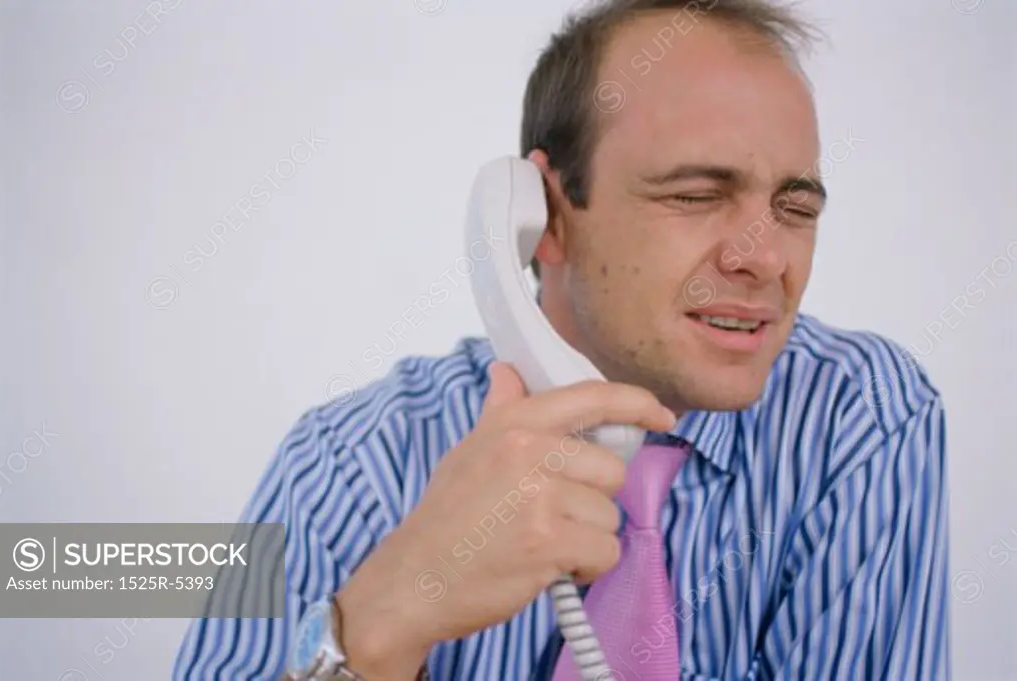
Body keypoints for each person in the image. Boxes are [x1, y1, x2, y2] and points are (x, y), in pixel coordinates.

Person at [173, 0, 951, 679]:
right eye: (696, 195)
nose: (766, 257)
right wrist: (382, 623)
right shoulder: (345, 467)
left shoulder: (862, 420)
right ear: (545, 213)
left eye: (795, 208)